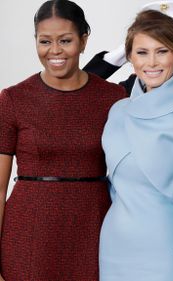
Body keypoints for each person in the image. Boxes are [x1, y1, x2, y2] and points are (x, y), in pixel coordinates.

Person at [0, 0, 126, 280]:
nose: (54, 51)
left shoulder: (114, 98)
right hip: (29, 233)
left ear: (83, 41)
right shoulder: (12, 99)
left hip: (93, 228)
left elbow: (133, 167)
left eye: (65, 40)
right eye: (45, 41)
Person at [99, 9, 173, 281]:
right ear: (129, 57)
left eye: (162, 51)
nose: (152, 62)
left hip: (167, 249)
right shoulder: (117, 111)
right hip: (114, 247)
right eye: (142, 52)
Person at [83, 0, 173, 100]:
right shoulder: (135, 84)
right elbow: (79, 91)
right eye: (156, 37)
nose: (166, 43)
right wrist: (118, 56)